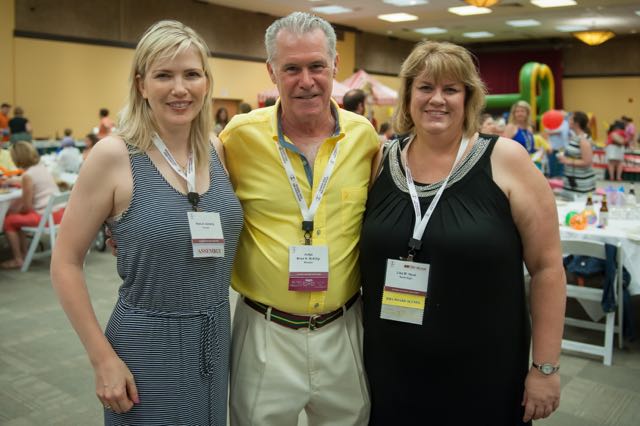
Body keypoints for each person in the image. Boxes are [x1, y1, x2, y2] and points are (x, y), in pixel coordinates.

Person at [360, 41, 565, 425]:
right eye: (425, 87)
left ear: (468, 98)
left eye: (451, 89)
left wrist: (545, 367)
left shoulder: (506, 159)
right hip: (390, 368)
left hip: (483, 371)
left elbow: (548, 268)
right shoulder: (381, 160)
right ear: (408, 95)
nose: (437, 99)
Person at [50, 20, 242, 425]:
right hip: (147, 341)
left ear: (206, 82)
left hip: (214, 335)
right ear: (141, 85)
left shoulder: (216, 149)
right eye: (164, 75)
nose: (180, 88)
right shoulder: (114, 156)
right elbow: (65, 262)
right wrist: (102, 359)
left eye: (191, 74)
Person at [219, 12, 379, 425]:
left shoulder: (364, 138)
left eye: (316, 66)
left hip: (343, 328)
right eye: (291, 68)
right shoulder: (238, 138)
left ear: (335, 65)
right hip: (265, 332)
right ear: (271, 71)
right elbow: (191, 193)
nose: (306, 81)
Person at [1, 141, 62, 269]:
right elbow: (32, 181)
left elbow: (27, 207)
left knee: (9, 221)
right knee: (15, 218)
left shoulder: (27, 175)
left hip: (46, 218)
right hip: (58, 213)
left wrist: (13, 211)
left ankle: (18, 259)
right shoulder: (40, 167)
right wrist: (14, 181)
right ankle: (25, 253)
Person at [558, 111, 595, 197]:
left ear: (576, 123)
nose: (568, 121)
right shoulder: (575, 137)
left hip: (581, 183)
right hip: (572, 179)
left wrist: (567, 161)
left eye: (570, 119)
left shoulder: (583, 140)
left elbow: (587, 161)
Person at [544, 111, 570, 178]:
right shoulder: (550, 122)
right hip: (551, 147)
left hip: (562, 148)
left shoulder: (565, 123)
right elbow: (546, 132)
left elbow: (561, 131)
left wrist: (552, 132)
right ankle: (552, 177)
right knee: (552, 163)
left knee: (561, 163)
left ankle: (560, 177)